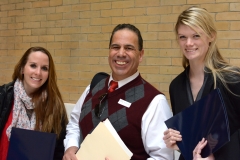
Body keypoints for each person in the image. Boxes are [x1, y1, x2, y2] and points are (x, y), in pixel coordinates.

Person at [63, 23, 174, 160]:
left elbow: (163, 158)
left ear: (140, 55)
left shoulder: (154, 101)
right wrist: (71, 147)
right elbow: (74, 123)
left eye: (129, 48)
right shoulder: (93, 87)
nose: (121, 53)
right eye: (116, 47)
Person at [163, 6, 240, 160]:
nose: (188, 43)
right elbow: (192, 135)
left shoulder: (232, 79)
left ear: (211, 36)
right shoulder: (176, 86)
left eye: (196, 35)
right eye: (182, 37)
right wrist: (177, 142)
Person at [0, 46, 68, 160]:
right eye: (33, 65)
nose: (38, 72)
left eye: (44, 68)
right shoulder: (3, 96)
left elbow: (60, 149)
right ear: (22, 68)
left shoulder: (55, 105)